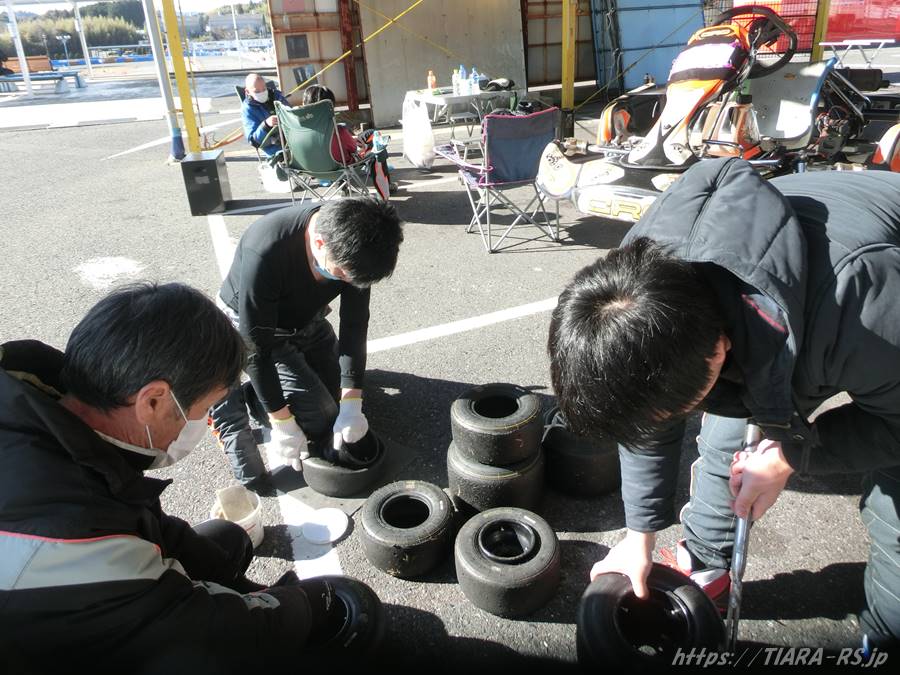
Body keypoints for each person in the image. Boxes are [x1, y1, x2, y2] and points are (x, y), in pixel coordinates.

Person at [548, 157, 900, 651]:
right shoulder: (639, 283)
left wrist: (793, 454)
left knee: (893, 510)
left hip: (871, 294)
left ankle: (885, 639)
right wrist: (638, 536)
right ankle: (707, 560)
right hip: (785, 279)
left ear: (719, 349)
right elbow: (647, 412)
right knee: (729, 439)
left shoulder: (863, 301)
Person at [0, 283, 355, 672]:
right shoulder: (75, 541)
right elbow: (205, 637)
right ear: (152, 401)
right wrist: (304, 606)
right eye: (204, 409)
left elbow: (137, 518)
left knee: (227, 542)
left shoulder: (40, 411)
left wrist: (238, 584)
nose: (200, 423)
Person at [210, 198, 403, 488]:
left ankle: (284, 386)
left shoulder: (359, 245)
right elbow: (257, 350)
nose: (347, 282)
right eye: (342, 275)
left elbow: (354, 325)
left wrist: (352, 402)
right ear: (320, 243)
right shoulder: (267, 249)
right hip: (255, 327)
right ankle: (245, 398)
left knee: (339, 405)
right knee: (320, 418)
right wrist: (282, 421)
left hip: (306, 315)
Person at [302, 84, 398, 194]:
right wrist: (359, 144)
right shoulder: (338, 131)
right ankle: (386, 186)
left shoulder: (297, 130)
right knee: (376, 139)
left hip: (309, 168)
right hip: (338, 167)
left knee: (337, 153)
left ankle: (342, 189)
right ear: (330, 107)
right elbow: (353, 149)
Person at [241, 72, 289, 157]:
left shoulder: (276, 96)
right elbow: (254, 141)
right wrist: (266, 125)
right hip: (276, 150)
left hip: (292, 140)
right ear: (247, 91)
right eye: (257, 91)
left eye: (264, 89)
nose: (262, 93)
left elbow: (290, 112)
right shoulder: (248, 109)